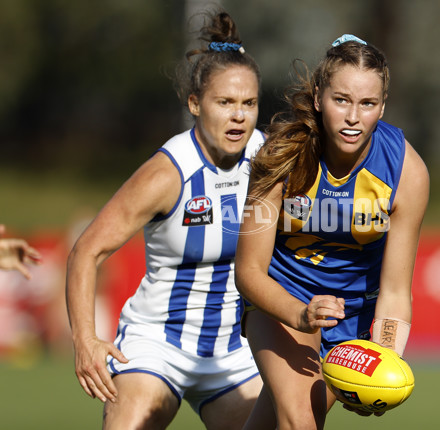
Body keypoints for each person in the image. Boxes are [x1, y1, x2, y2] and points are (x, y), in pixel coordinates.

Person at [66, 10, 270, 430]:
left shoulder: (268, 159)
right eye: (225, 102)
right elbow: (86, 251)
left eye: (248, 103)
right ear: (195, 104)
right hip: (158, 344)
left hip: (233, 352)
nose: (239, 116)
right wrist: (85, 341)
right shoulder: (166, 174)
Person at [235, 34, 429, 429]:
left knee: (279, 421)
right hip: (282, 303)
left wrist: (383, 360)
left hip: (354, 318)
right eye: (341, 100)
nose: (353, 118)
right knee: (302, 421)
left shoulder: (407, 171)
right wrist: (299, 312)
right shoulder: (279, 156)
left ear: (382, 106)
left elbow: (394, 291)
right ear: (320, 95)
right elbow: (248, 272)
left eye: (367, 104)